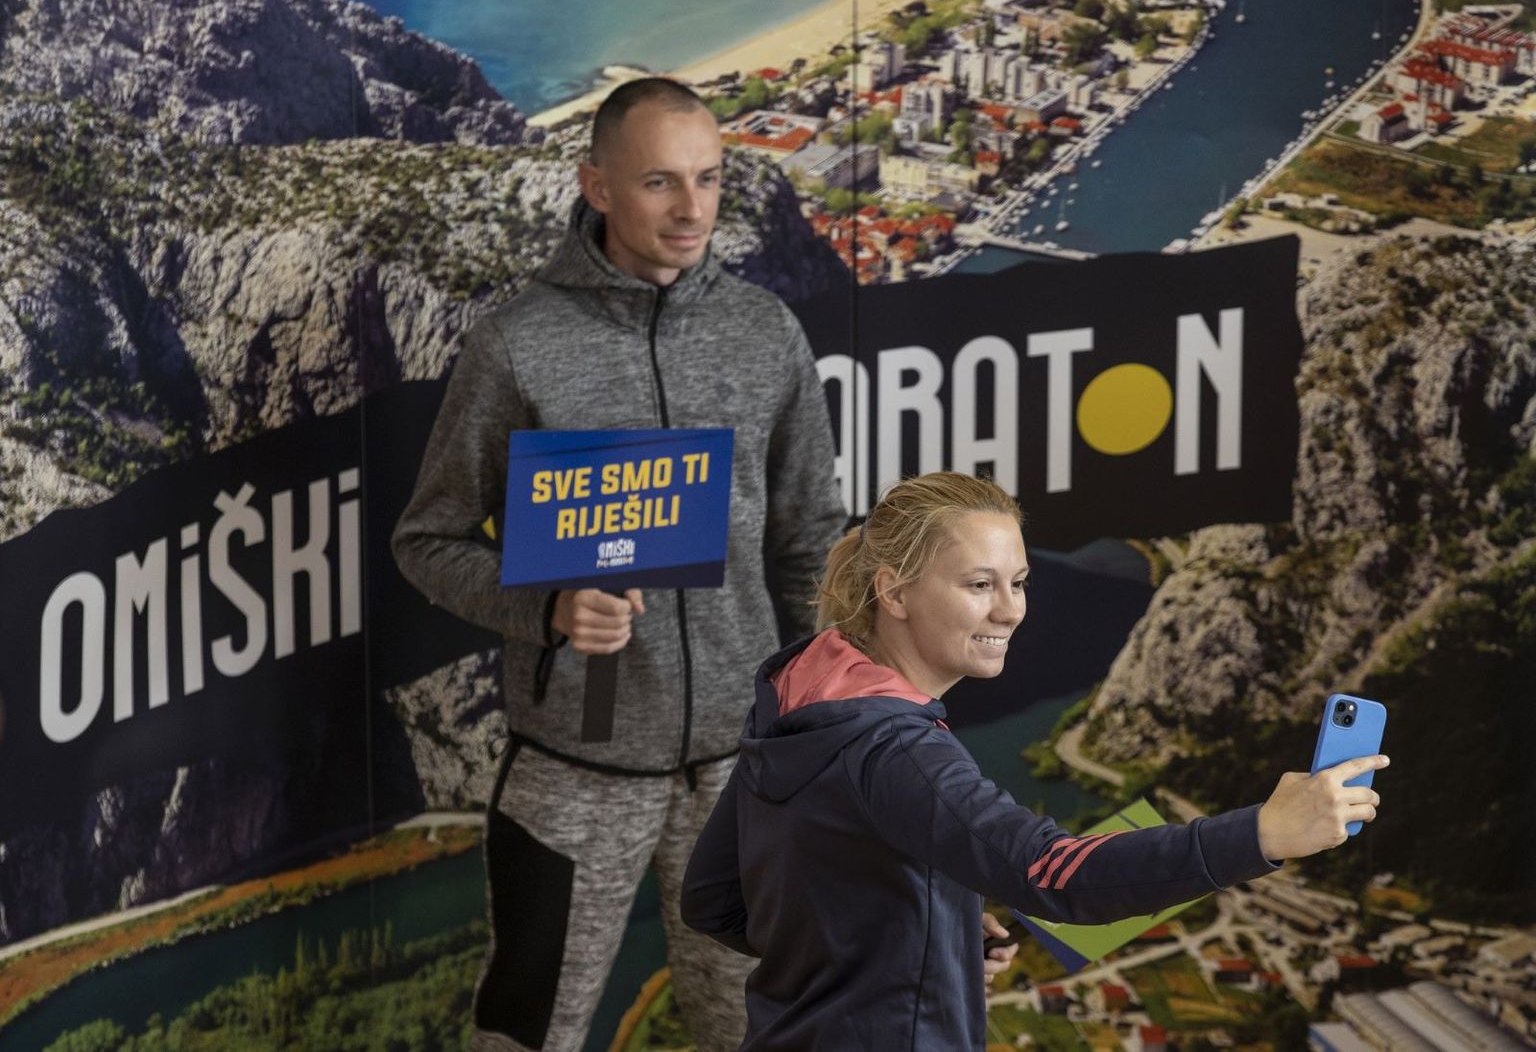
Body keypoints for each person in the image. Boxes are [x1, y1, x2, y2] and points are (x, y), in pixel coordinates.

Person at [392, 77, 845, 1052]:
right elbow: (426, 542)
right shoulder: (519, 345)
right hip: (574, 770)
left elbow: (811, 539)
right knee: (530, 1035)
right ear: (596, 186)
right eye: (659, 182)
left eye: (709, 179)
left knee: (762, 1028)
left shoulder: (764, 332)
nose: (692, 210)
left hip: (742, 768)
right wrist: (548, 607)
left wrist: (829, 719)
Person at [681, 471, 1389, 1051]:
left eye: (1018, 582)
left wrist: (923, 948)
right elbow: (1057, 876)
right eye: (979, 584)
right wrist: (1263, 834)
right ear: (893, 592)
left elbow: (712, 899)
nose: (1011, 611)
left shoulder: (798, 695)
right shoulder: (898, 751)